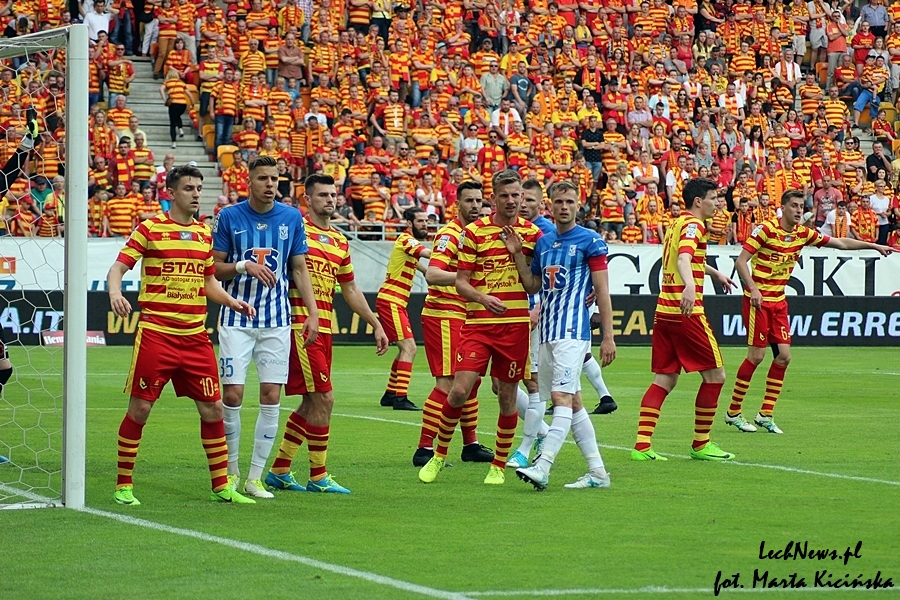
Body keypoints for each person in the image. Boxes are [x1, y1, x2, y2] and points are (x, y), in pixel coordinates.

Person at [107, 165, 257, 506]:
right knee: (141, 408)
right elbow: (118, 267)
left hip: (195, 337)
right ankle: (123, 485)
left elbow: (208, 281)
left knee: (214, 408)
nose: (196, 194)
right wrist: (115, 292)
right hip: (157, 334)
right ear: (171, 193)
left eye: (199, 188)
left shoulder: (204, 233)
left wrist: (232, 301)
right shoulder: (150, 228)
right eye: (189, 188)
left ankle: (221, 485)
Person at [727, 190, 894, 434]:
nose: (798, 210)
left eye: (801, 206)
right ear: (783, 207)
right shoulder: (765, 230)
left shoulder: (802, 233)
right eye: (794, 206)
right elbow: (741, 261)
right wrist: (752, 289)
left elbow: (840, 243)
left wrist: (873, 246)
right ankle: (733, 411)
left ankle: (765, 414)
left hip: (779, 302)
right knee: (756, 357)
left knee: (784, 357)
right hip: (759, 302)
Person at [266, 175, 388, 495]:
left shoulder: (339, 241)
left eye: (333, 195)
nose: (330, 200)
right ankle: (318, 476)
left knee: (311, 402)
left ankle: (279, 470)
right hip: (300, 325)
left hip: (325, 329)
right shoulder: (296, 230)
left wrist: (375, 322)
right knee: (325, 398)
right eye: (322, 195)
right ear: (307, 199)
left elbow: (350, 289)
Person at [418, 169, 541, 485]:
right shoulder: (473, 233)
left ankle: (498, 465)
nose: (511, 201)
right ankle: (438, 455)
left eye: (516, 195)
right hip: (478, 325)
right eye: (504, 195)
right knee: (459, 389)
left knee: (507, 398)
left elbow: (533, 285)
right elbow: (461, 282)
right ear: (494, 198)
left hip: (514, 327)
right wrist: (483, 298)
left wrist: (518, 255)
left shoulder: (533, 235)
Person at [212, 156, 319, 499]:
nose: (270, 184)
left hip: (276, 321)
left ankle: (255, 478)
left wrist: (313, 313)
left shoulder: (291, 217)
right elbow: (214, 268)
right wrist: (243, 266)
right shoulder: (229, 216)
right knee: (232, 395)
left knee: (271, 395)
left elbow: (299, 269)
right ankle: (230, 472)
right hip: (236, 318)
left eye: (274, 179)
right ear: (249, 182)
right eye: (263, 178)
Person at [504, 180, 617, 490]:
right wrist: (518, 255)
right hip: (547, 332)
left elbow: (602, 291)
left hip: (573, 332)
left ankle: (543, 465)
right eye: (558, 202)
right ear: (550, 206)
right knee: (575, 402)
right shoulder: (544, 243)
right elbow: (533, 286)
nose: (564, 207)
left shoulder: (590, 241)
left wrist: (608, 336)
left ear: (578, 205)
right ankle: (598, 472)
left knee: (560, 398)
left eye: (569, 202)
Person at [631, 177, 738, 462]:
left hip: (664, 312)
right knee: (716, 376)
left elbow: (685, 256)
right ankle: (701, 443)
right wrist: (690, 286)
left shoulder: (677, 223)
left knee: (665, 378)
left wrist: (714, 273)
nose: (718, 204)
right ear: (698, 201)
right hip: (687, 313)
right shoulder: (695, 225)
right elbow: (683, 259)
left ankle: (642, 446)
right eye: (713, 198)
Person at [414, 181, 495, 466]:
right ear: (457, 204)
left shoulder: (477, 234)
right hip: (444, 314)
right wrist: (467, 276)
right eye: (469, 201)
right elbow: (433, 274)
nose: (475, 205)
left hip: (466, 315)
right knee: (449, 383)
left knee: (471, 382)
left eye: (478, 200)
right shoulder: (450, 234)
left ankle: (470, 445)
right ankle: (424, 449)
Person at [505, 179, 554, 469]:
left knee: (532, 380)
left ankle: (529, 444)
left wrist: (538, 308)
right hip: (508, 314)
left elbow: (548, 276)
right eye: (520, 199)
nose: (522, 205)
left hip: (532, 314)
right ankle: (543, 433)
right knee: (501, 385)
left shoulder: (542, 233)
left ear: (540, 204)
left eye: (529, 200)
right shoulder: (511, 228)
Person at [376, 207, 431, 411]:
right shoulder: (408, 240)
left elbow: (421, 265)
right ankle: (401, 398)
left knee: (404, 349)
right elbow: (427, 254)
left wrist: (430, 273)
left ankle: (391, 394)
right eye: (420, 221)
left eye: (426, 221)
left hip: (395, 301)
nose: (425, 225)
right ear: (409, 223)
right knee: (410, 348)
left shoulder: (407, 244)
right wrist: (450, 252)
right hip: (391, 301)